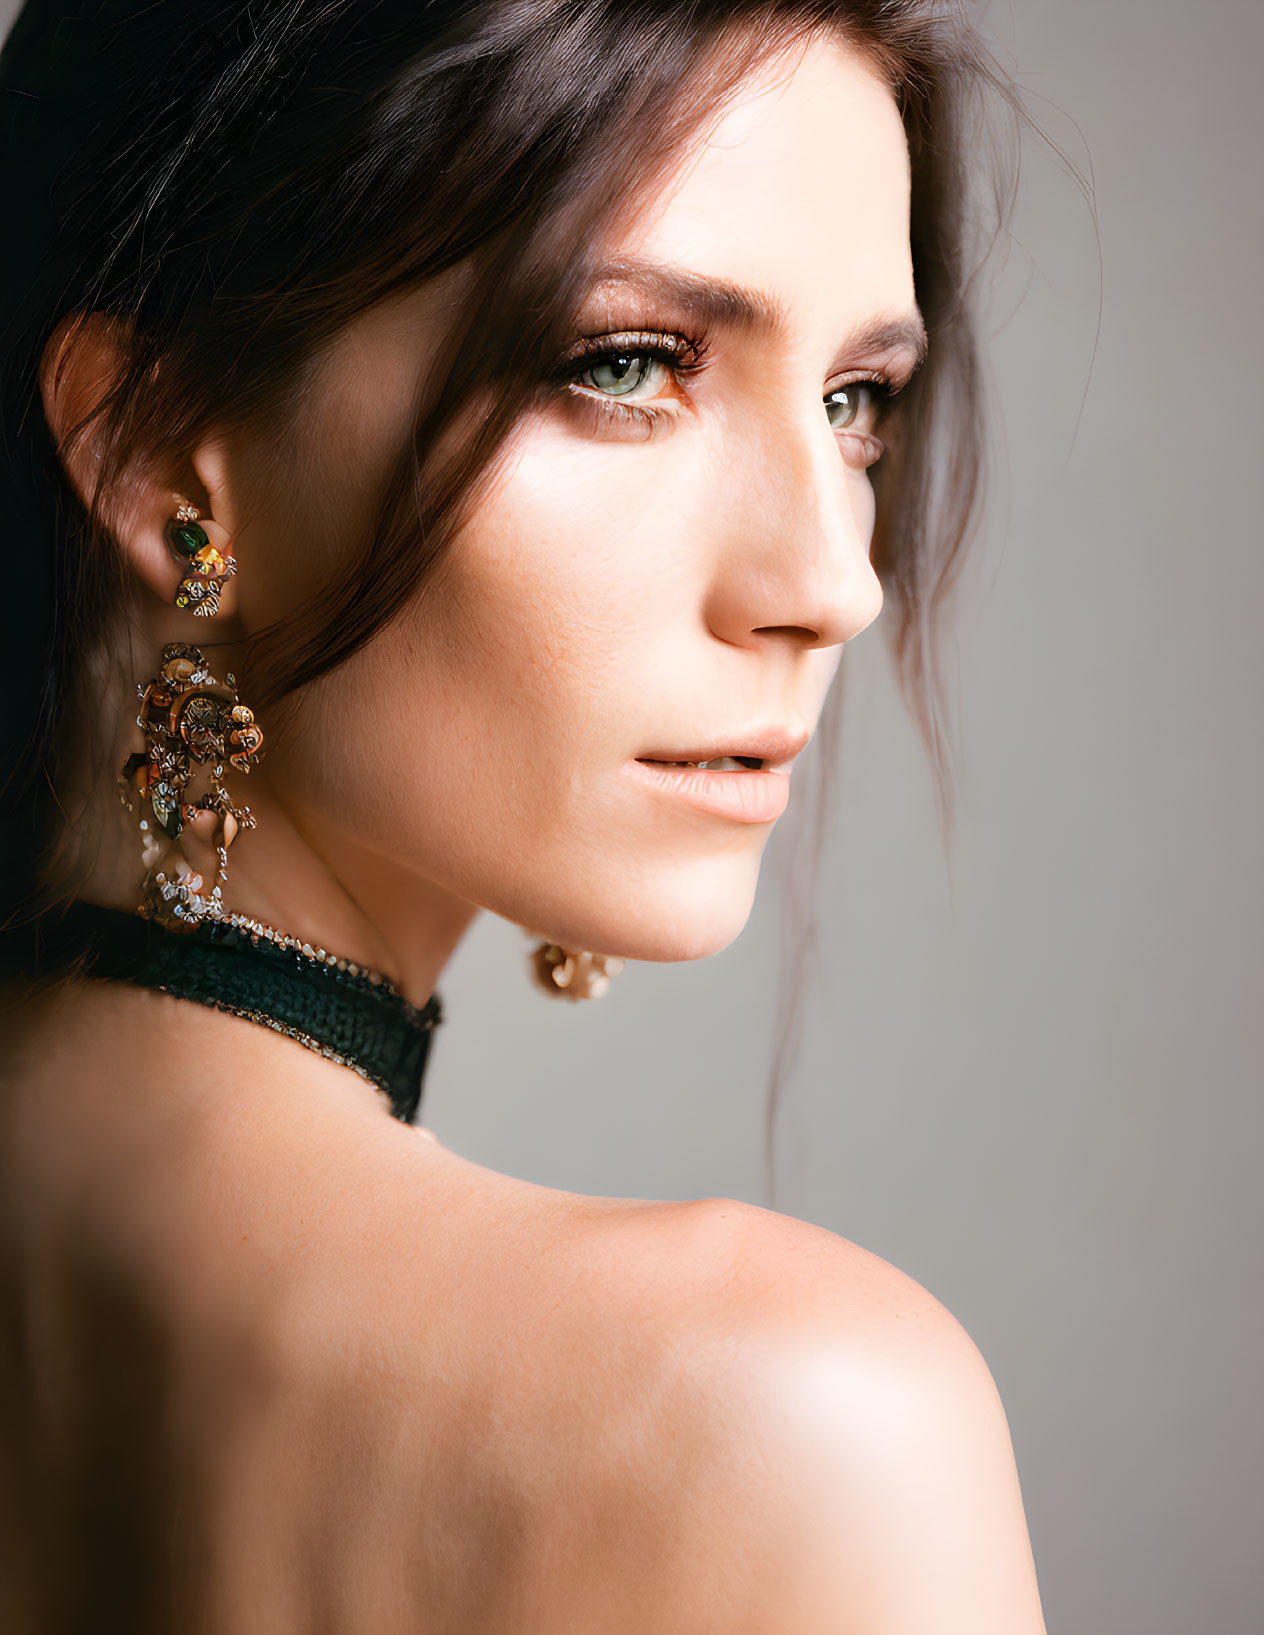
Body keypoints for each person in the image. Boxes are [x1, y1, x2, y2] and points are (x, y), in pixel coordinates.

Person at [0, 2, 1048, 1629]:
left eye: (854, 399)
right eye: (628, 366)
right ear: (162, 461)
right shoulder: (781, 1422)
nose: (830, 582)